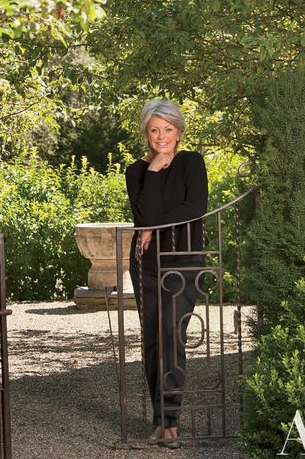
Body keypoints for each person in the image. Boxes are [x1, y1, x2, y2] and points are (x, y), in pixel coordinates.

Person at [125, 99, 208, 449]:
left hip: (184, 259)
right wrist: (156, 170)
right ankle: (162, 421)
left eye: (168, 129)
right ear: (146, 131)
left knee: (173, 335)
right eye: (155, 129)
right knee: (152, 341)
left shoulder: (191, 162)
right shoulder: (136, 171)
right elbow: (142, 212)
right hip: (146, 262)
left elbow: (195, 207)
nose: (162, 136)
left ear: (179, 131)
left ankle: (169, 421)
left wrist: (150, 226)